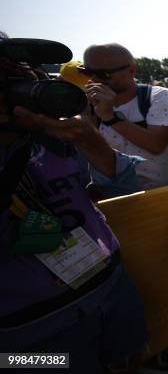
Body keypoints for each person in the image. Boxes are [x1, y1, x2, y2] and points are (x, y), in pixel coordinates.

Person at [0, 36, 148, 372]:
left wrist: (89, 139)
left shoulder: (52, 131)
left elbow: (122, 189)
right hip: (27, 335)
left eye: (22, 78)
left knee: (130, 359)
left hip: (111, 288)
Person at [82, 43, 168, 190]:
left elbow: (156, 145)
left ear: (132, 70)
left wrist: (109, 116)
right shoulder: (89, 104)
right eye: (87, 72)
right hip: (114, 194)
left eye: (103, 74)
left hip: (159, 193)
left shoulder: (156, 96)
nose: (94, 79)